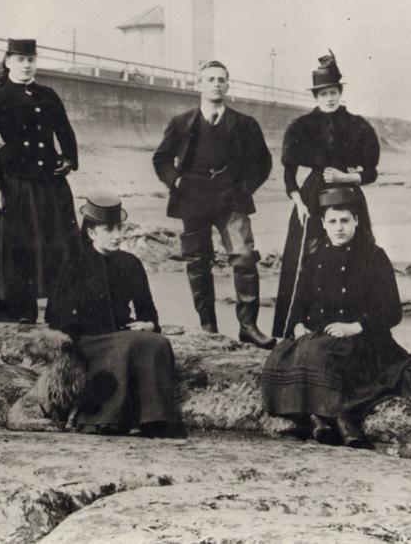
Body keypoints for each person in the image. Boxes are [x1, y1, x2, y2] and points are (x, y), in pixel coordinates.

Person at [261, 186, 411, 448]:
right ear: (323, 224)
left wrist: (356, 326)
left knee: (325, 357)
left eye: (344, 220)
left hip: (365, 339)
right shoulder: (314, 257)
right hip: (321, 336)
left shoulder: (374, 257)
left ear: (356, 221)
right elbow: (299, 302)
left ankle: (337, 418)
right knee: (281, 357)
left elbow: (392, 311)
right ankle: (320, 417)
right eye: (332, 221)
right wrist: (297, 325)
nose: (339, 227)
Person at [152, 60, 275, 349]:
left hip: (231, 199)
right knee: (198, 261)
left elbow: (263, 162)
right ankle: (208, 327)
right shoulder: (181, 122)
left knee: (244, 256)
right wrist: (175, 181)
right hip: (192, 199)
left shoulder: (245, 124)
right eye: (210, 79)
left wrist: (245, 188)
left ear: (228, 84)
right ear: (198, 85)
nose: (216, 83)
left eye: (221, 79)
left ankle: (248, 327)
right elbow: (160, 158)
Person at [0, 39, 80, 323]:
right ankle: (23, 312)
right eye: (20, 60)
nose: (27, 65)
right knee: (20, 248)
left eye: (31, 59)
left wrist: (69, 159)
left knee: (59, 247)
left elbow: (65, 131)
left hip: (50, 184)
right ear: (8, 62)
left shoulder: (49, 95)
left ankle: (58, 311)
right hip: (15, 184)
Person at [48, 192, 179, 437]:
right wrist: (90, 331)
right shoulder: (73, 264)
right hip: (86, 341)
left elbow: (147, 309)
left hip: (123, 335)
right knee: (126, 346)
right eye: (109, 229)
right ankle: (104, 420)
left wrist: (149, 325)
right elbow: (55, 318)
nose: (118, 235)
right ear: (91, 233)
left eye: (119, 228)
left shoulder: (131, 264)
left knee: (158, 343)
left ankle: (156, 419)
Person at [272, 50, 381, 338]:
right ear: (315, 97)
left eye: (333, 92)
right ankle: (293, 328)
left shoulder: (358, 126)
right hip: (310, 197)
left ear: (340, 92)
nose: (329, 98)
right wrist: (297, 201)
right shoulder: (301, 126)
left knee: (356, 250)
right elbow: (288, 173)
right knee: (303, 257)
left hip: (349, 195)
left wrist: (346, 176)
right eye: (322, 94)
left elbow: (370, 172)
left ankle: (355, 324)